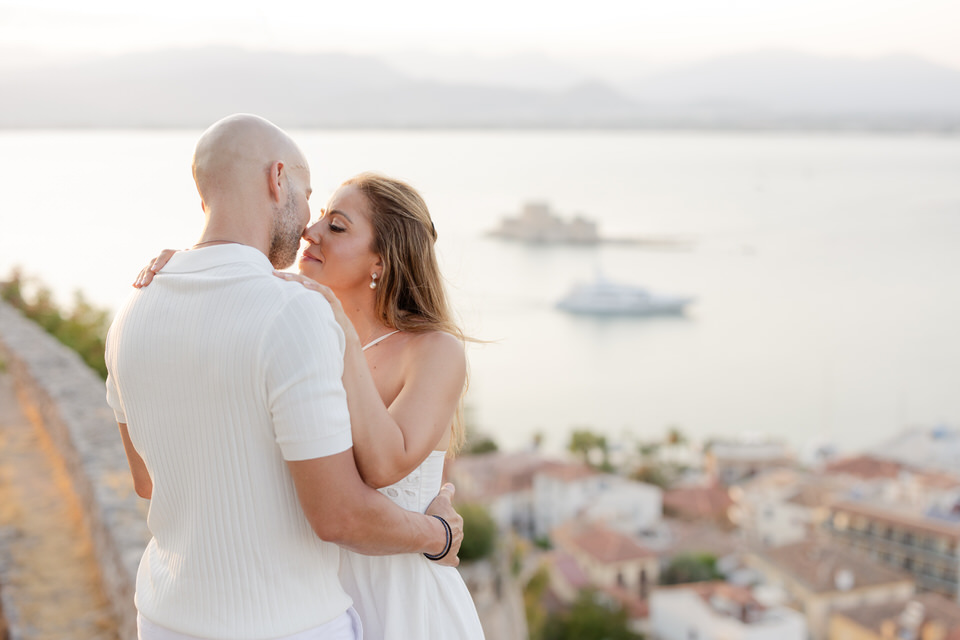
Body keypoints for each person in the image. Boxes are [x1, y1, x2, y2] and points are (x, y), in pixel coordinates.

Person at [106, 114, 462, 640]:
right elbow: (338, 512)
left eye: (336, 226)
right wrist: (437, 534)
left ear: (381, 262)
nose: (310, 231)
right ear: (278, 179)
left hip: (388, 599)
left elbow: (148, 480)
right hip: (301, 609)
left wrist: (185, 271)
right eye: (313, 205)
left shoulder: (132, 313)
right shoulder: (295, 317)